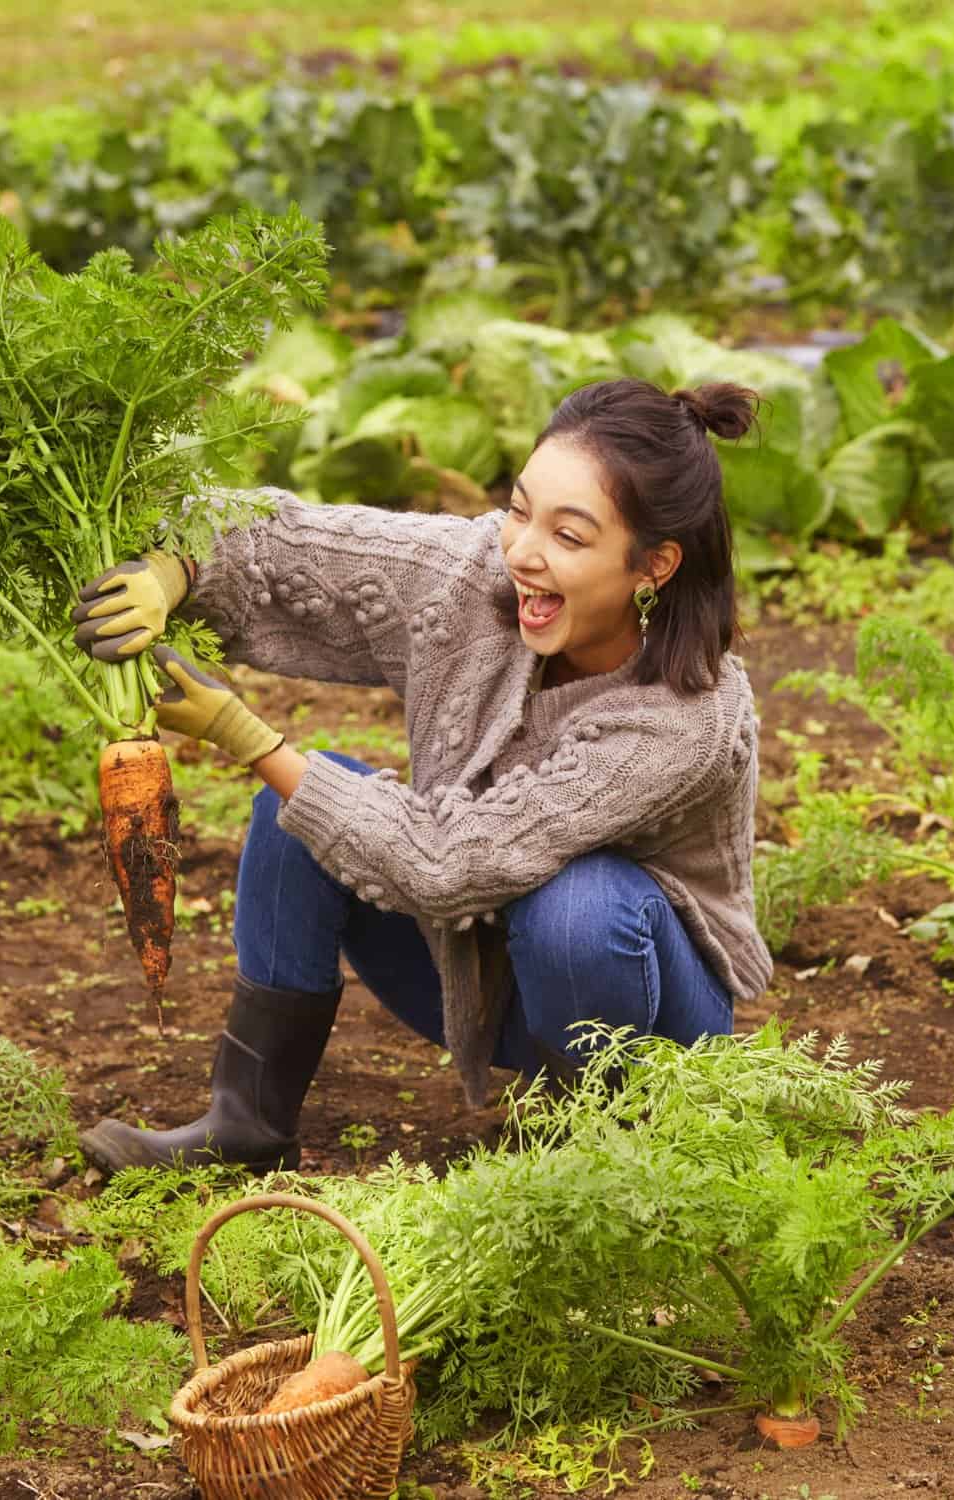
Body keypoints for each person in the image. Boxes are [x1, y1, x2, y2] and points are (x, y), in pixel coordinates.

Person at [68, 378, 774, 1172]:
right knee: (296, 815)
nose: (522, 552)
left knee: (579, 904)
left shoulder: (686, 714)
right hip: (486, 975)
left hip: (650, 1013)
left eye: (569, 537)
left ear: (654, 565)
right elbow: (290, 544)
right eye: (519, 509)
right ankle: (247, 1123)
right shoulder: (479, 578)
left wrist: (242, 733)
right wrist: (179, 570)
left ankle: (596, 1161)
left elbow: (451, 861)